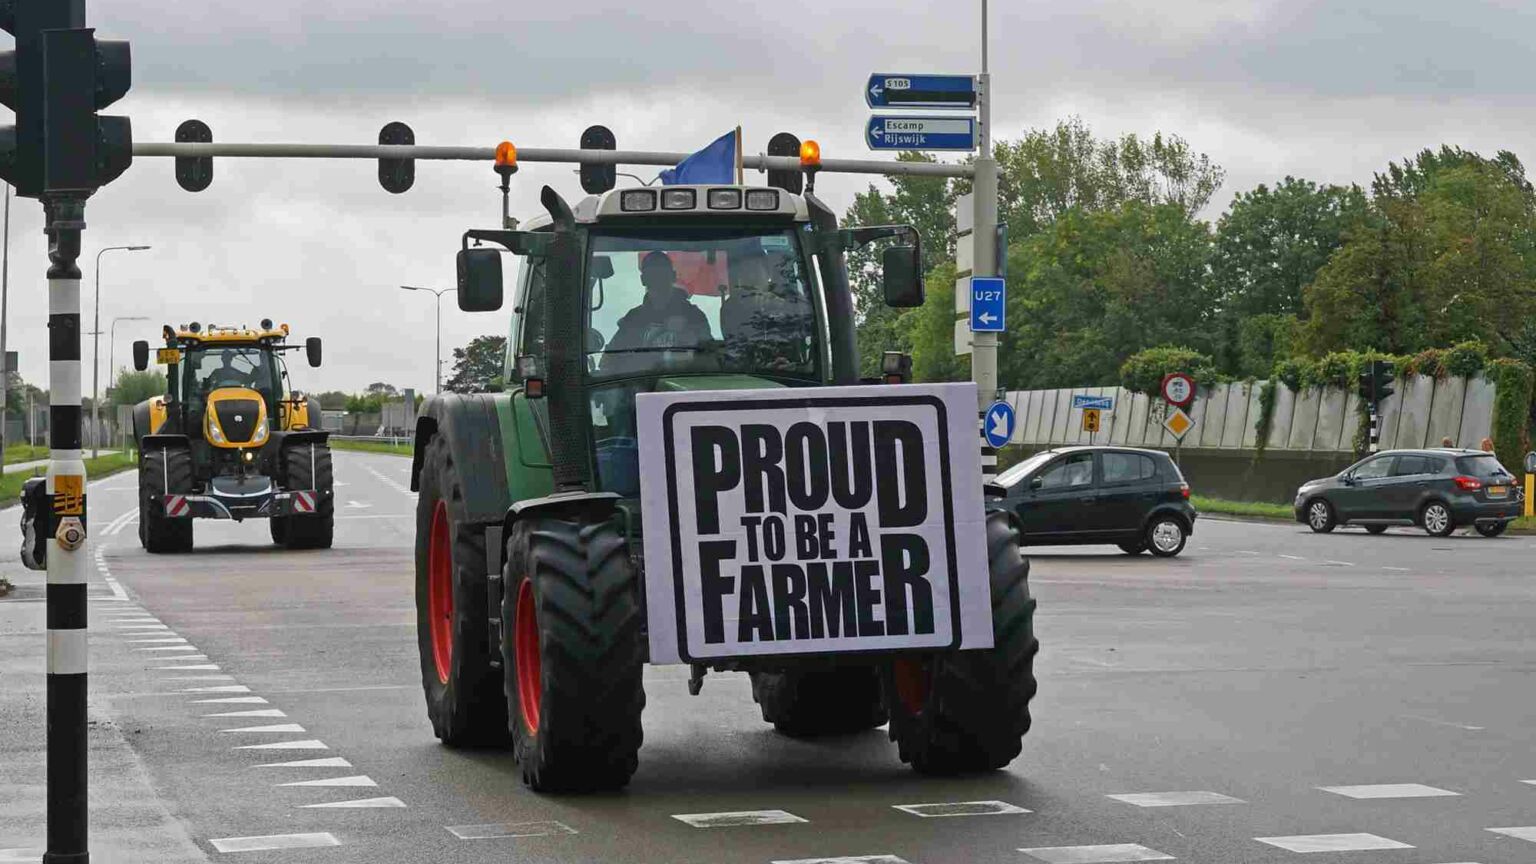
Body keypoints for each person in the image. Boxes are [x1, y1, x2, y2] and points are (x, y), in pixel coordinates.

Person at [600, 251, 713, 376]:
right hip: (639, 387)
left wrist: (687, 333)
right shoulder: (633, 319)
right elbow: (608, 363)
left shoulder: (694, 317)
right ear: (643, 280)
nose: (658, 281)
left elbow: (710, 361)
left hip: (683, 387)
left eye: (662, 275)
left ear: (673, 276)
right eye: (653, 276)